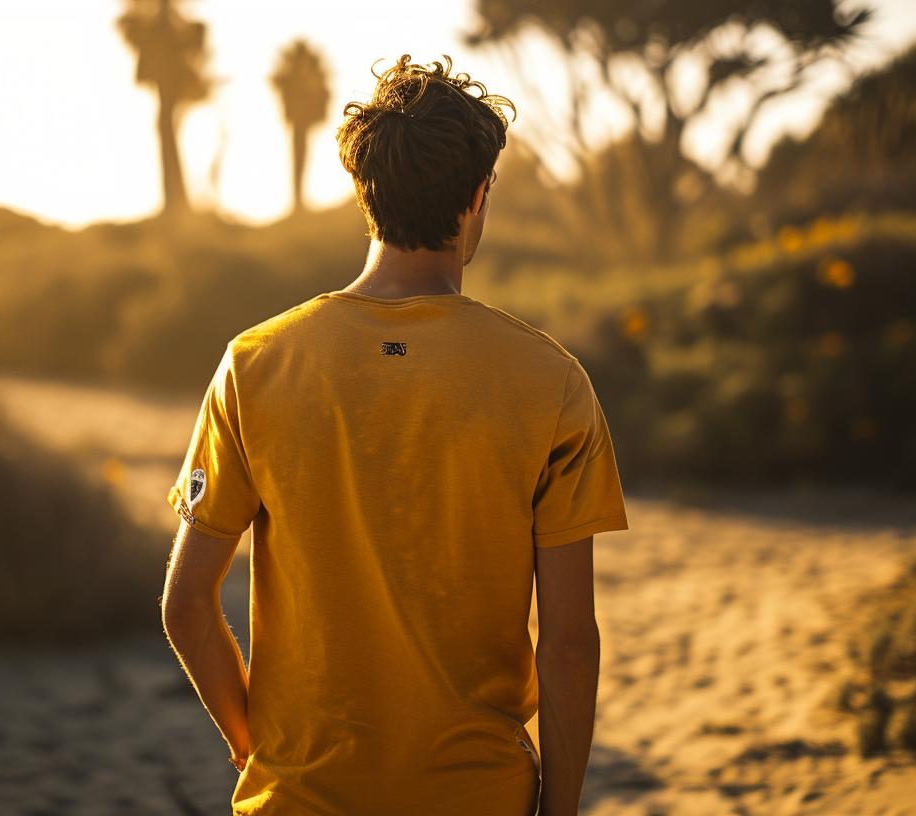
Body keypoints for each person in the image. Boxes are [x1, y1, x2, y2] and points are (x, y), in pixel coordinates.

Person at [161, 54, 627, 816]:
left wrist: (260, 750)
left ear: (363, 191)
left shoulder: (256, 363)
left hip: (299, 796)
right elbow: (571, 645)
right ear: (477, 197)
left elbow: (186, 605)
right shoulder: (551, 381)